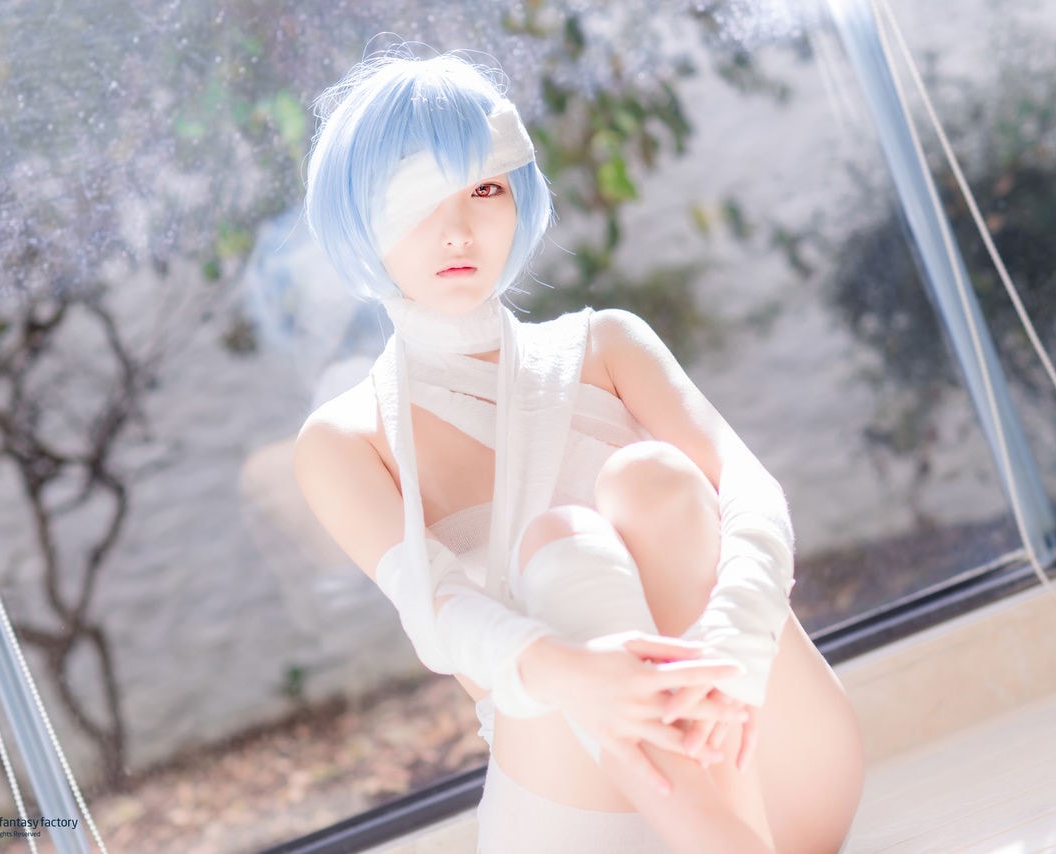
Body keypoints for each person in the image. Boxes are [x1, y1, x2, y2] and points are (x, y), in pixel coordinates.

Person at [294, 45, 864, 853]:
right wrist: (579, 675)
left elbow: (751, 491)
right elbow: (438, 614)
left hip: (767, 754)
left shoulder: (607, 346)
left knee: (652, 478)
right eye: (414, 197)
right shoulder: (347, 439)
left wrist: (735, 634)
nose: (457, 230)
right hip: (576, 808)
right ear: (357, 217)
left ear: (518, 193)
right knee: (563, 542)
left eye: (484, 189)